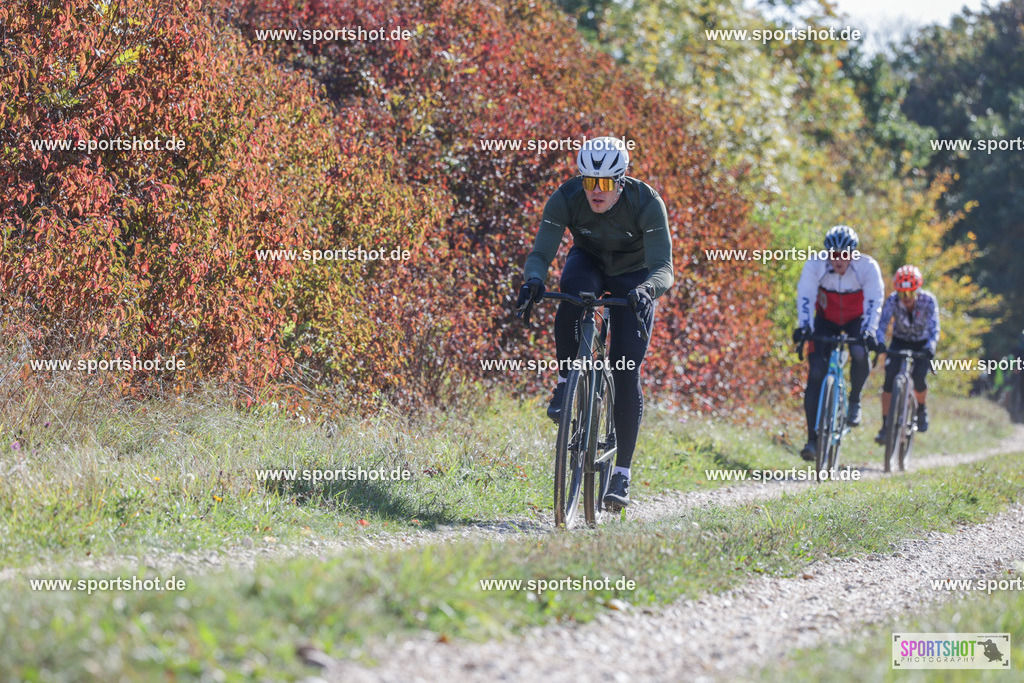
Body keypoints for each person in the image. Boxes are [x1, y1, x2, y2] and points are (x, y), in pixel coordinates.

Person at [515, 136, 673, 509]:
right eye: (589, 182)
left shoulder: (647, 203)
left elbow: (664, 268)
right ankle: (567, 381)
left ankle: (621, 474)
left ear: (620, 182)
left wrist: (648, 290)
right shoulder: (567, 197)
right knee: (571, 293)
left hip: (634, 277)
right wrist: (533, 280)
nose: (595, 192)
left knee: (625, 367)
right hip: (588, 261)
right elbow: (540, 252)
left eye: (604, 184)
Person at [793, 225, 884, 460]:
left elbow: (874, 301)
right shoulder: (815, 265)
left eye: (844, 254)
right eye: (834, 254)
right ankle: (812, 441)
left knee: (859, 352)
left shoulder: (867, 267)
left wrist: (870, 331)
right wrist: (804, 326)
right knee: (815, 373)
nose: (839, 260)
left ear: (853, 253)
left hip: (856, 320)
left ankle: (854, 400)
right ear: (827, 253)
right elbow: (805, 296)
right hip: (825, 320)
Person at [873, 265, 940, 443]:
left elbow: (935, 328)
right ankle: (886, 426)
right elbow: (881, 324)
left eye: (910, 293)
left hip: (921, 343)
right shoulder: (892, 300)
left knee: (919, 377)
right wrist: (880, 341)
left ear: (917, 290)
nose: (906, 298)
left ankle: (921, 409)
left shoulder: (928, 300)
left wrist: (931, 346)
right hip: (899, 341)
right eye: (902, 293)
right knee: (888, 380)